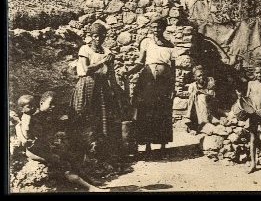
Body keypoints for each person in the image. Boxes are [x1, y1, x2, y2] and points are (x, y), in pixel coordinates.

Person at [17, 91, 109, 192]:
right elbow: (26, 135)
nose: (34, 108)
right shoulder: (29, 119)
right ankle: (89, 187)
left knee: (69, 156)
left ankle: (88, 181)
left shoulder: (38, 116)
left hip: (44, 146)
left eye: (33, 106)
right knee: (62, 163)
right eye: (30, 107)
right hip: (36, 149)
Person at [69, 22, 121, 160]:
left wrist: (115, 89)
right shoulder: (85, 49)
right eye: (96, 36)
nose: (99, 39)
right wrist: (103, 62)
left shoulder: (107, 52)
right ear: (91, 37)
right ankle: (84, 152)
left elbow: (111, 73)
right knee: (85, 115)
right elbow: (86, 69)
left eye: (102, 36)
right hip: (87, 84)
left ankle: (101, 152)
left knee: (103, 117)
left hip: (102, 85)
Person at [123, 18, 175, 153]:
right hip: (148, 81)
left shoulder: (169, 45)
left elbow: (173, 69)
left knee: (162, 111)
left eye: (158, 27)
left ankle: (163, 145)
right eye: (153, 27)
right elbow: (140, 62)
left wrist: (172, 87)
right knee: (147, 111)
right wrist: (129, 72)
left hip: (163, 83)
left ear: (164, 28)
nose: (155, 30)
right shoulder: (146, 42)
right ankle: (147, 146)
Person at [185, 65, 216, 131]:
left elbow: (211, 94)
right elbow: (190, 97)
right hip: (196, 107)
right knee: (197, 97)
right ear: (195, 77)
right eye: (199, 76)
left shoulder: (209, 82)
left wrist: (201, 92)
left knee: (201, 97)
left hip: (209, 104)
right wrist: (196, 93)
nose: (201, 77)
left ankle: (205, 121)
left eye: (203, 75)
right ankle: (199, 122)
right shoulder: (193, 85)